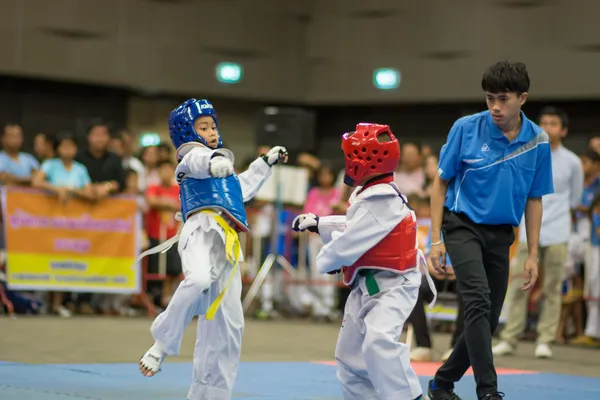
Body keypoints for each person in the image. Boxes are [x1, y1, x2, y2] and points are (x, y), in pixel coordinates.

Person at [137, 98, 288, 400]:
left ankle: (212, 395)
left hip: (228, 243)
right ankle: (161, 343)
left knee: (228, 325)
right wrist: (210, 162)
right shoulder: (189, 160)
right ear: (186, 133)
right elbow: (197, 162)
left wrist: (264, 163)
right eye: (203, 127)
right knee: (199, 280)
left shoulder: (225, 170)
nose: (211, 131)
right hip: (201, 232)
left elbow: (240, 188)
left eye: (213, 126)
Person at [427, 61, 554, 400]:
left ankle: (441, 383)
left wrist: (533, 254)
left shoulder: (538, 141)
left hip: (501, 235)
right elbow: (439, 186)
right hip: (462, 225)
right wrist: (435, 240)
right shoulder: (465, 128)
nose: (495, 107)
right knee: (479, 304)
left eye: (503, 99)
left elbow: (535, 199)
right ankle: (489, 392)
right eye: (489, 99)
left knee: (487, 317)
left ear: (522, 98)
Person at [292, 123, 436, 400]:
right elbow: (357, 226)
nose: (347, 162)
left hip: (394, 285)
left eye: (350, 156)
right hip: (367, 284)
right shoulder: (370, 193)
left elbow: (350, 242)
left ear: (365, 160)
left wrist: (326, 259)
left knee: (378, 341)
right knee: (349, 358)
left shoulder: (382, 199)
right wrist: (321, 223)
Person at [493, 106, 583, 359]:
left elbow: (574, 200)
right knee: (518, 284)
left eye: (553, 123)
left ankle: (545, 339)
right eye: (543, 122)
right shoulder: (528, 153)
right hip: (528, 231)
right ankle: (510, 338)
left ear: (563, 130)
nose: (547, 127)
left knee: (553, 288)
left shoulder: (573, 162)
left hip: (558, 232)